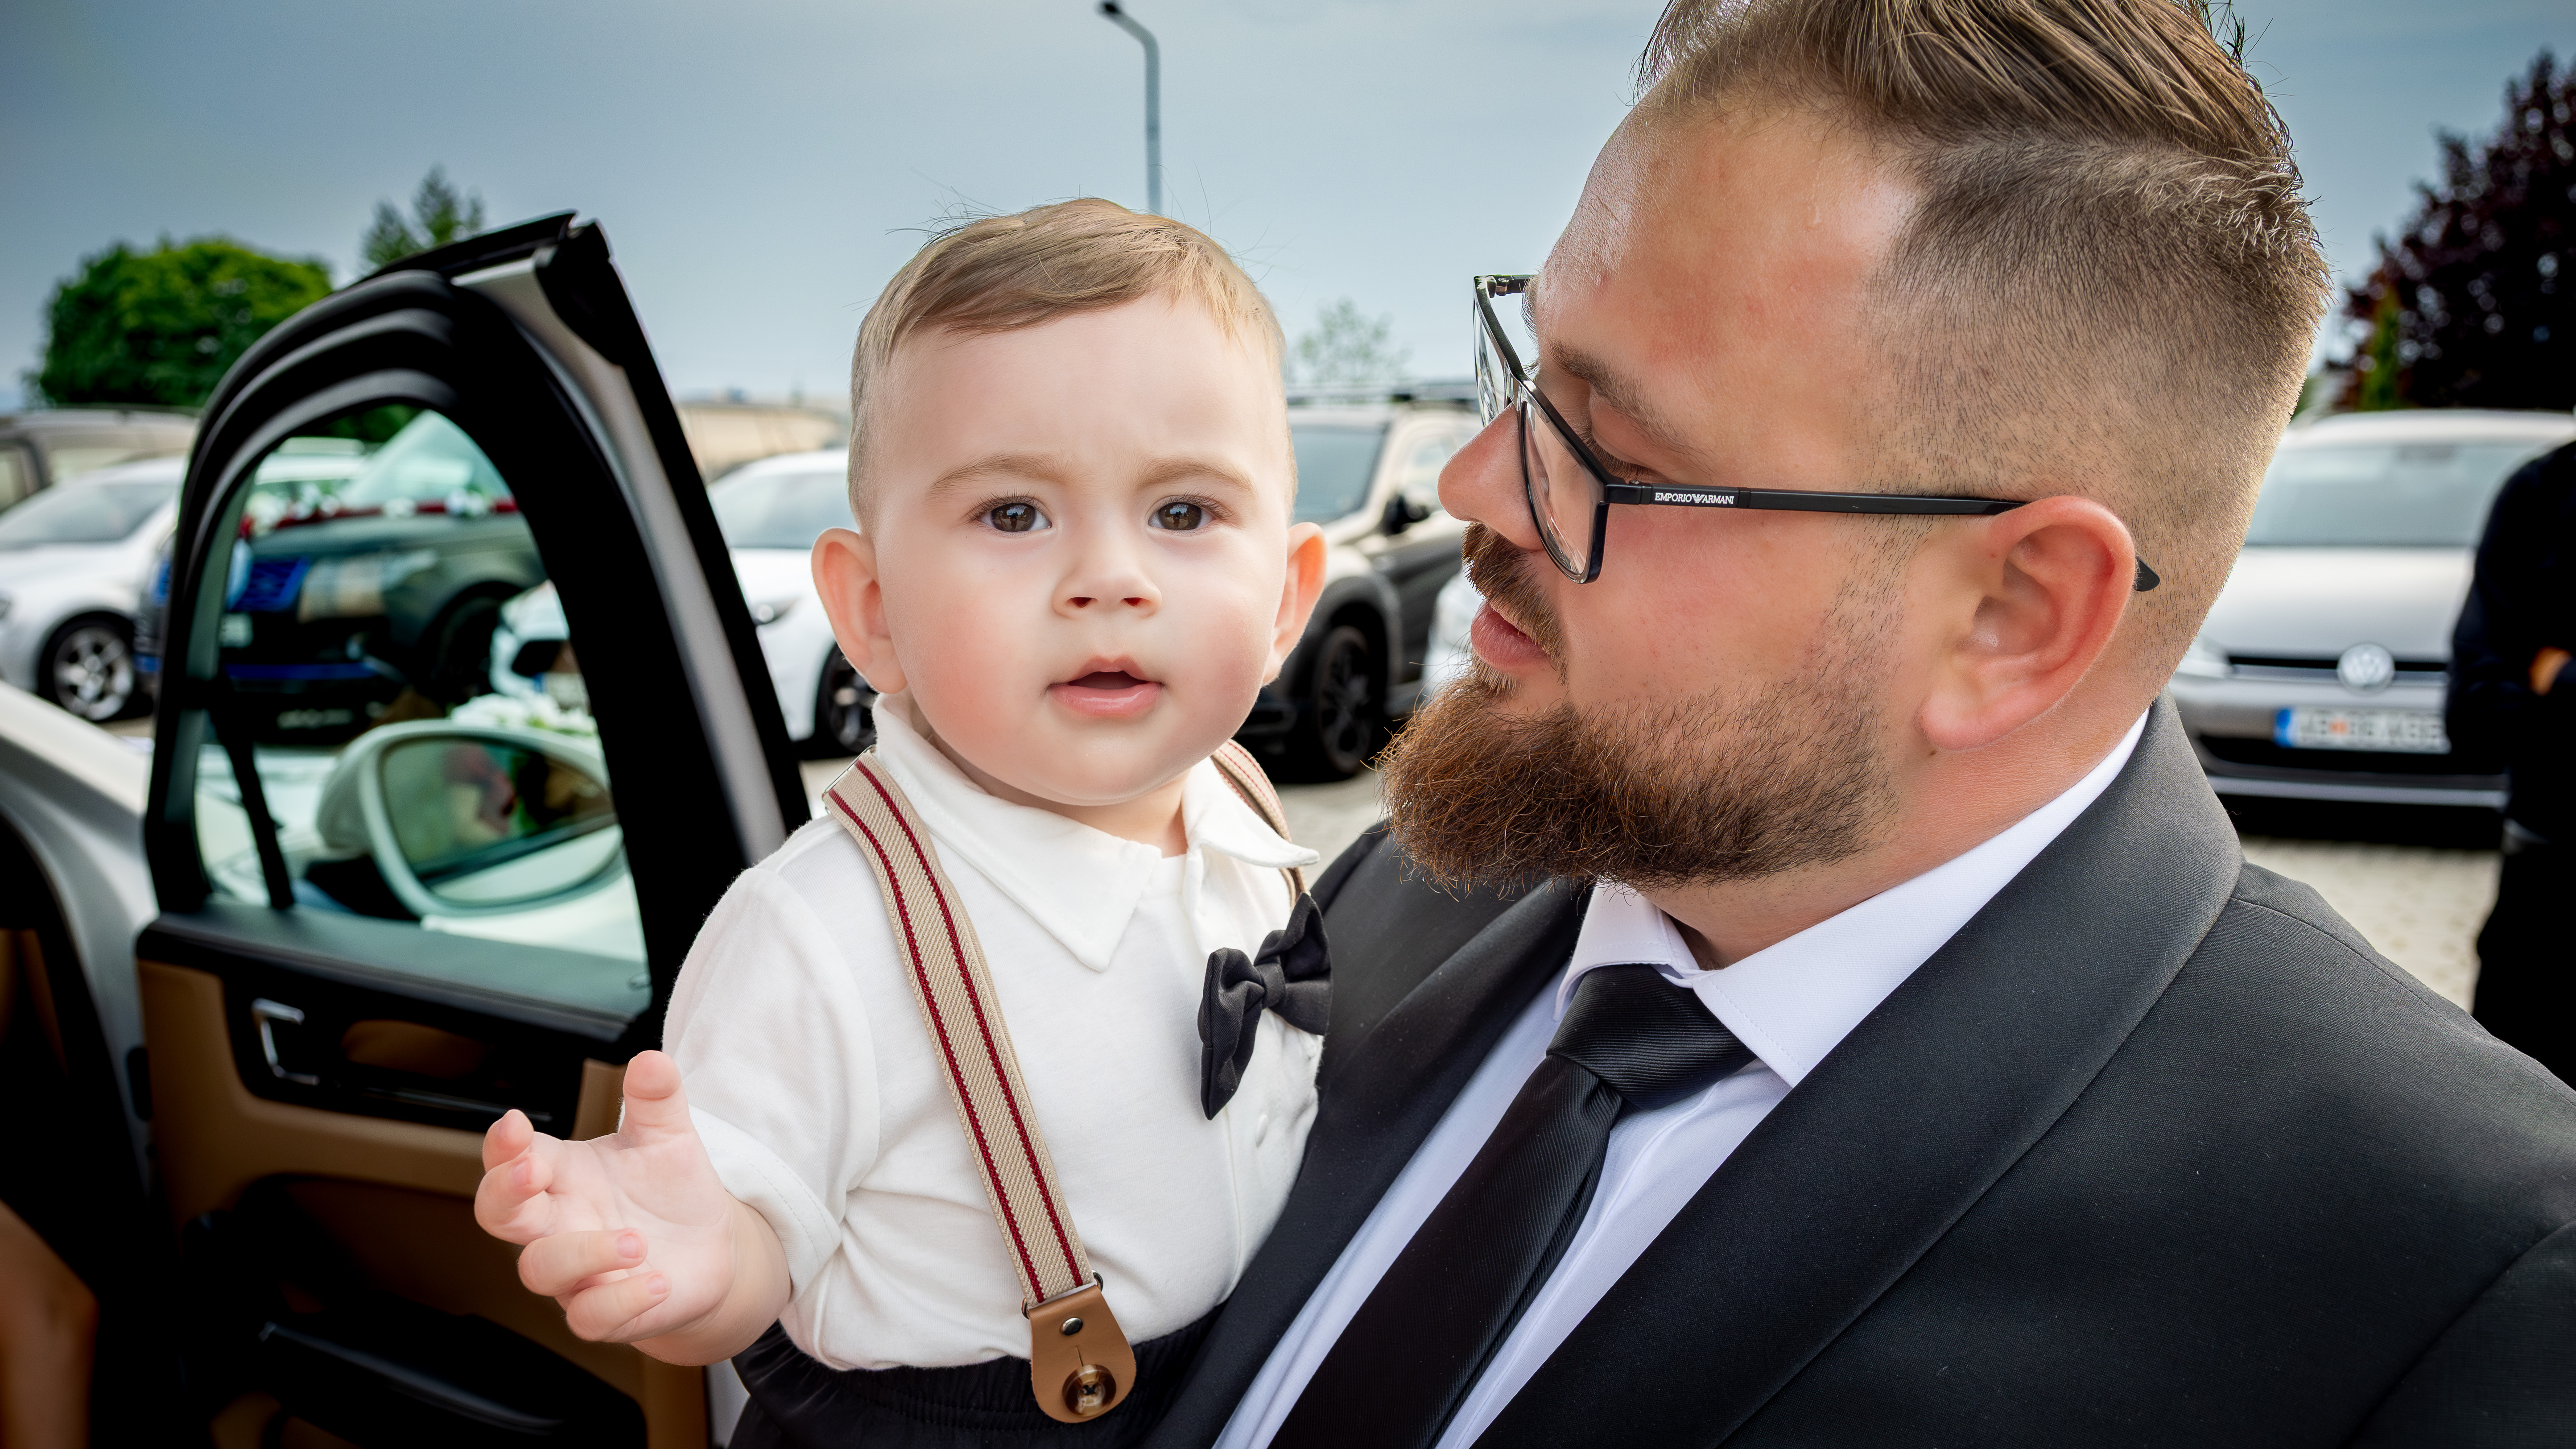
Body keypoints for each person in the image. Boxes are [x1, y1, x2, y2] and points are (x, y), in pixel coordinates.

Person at [1139, 3, 2576, 1446]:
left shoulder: (2447, 1290)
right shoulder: (1404, 891)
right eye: (1528, 367)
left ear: (2011, 614)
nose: (1474, 485)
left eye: (1613, 450)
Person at [474, 200, 1333, 1445]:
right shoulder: (823, 933)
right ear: (872, 610)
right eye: (1014, 514)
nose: (1110, 577)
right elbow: (749, 1243)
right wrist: (698, 1262)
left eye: (1184, 513)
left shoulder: (1244, 811)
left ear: (1285, 602)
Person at [2451, 439, 2576, 1083]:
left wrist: (2563, 677)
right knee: (2515, 1103)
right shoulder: (2543, 492)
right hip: (2546, 887)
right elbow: (2476, 710)